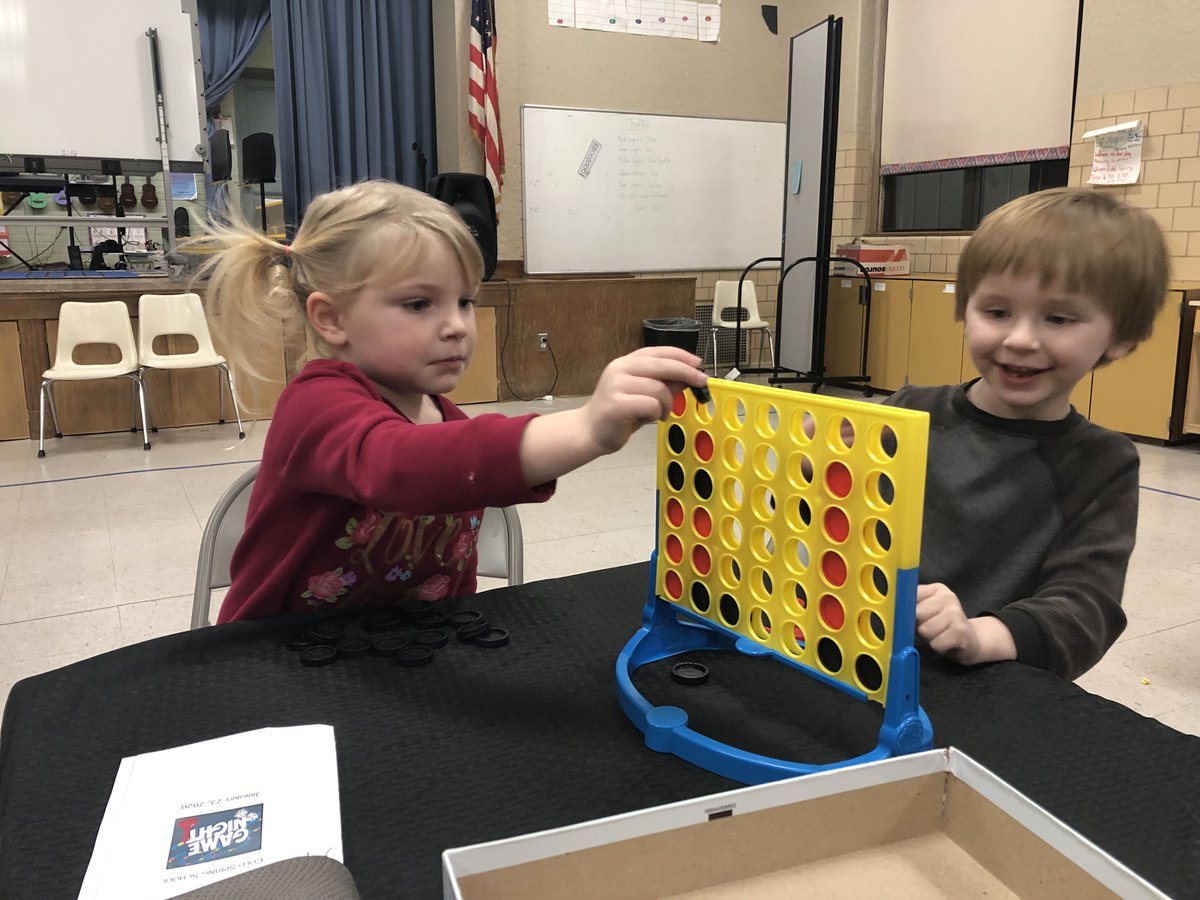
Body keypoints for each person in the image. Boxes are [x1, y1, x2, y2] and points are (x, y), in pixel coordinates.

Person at [188, 180, 707, 623]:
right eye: (419, 304)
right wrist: (587, 429)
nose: (457, 325)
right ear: (332, 319)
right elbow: (399, 466)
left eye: (464, 301)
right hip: (275, 663)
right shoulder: (316, 404)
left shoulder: (441, 414)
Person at [884, 187, 1170, 680]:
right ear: (965, 312)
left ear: (1120, 339)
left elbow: (1085, 609)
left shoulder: (1100, 462)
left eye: (1058, 318)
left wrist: (978, 636)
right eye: (996, 312)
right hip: (859, 662)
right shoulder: (909, 412)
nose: (1019, 339)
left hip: (985, 684)